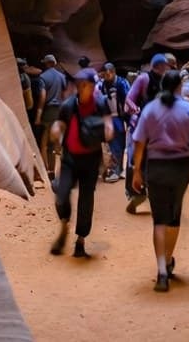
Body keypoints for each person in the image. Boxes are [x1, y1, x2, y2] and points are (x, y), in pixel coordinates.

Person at [131, 71, 189, 292]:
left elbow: (139, 143)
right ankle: (170, 258)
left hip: (156, 167)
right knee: (174, 216)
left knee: (159, 220)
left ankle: (162, 271)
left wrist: (136, 171)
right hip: (180, 166)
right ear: (179, 86)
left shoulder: (150, 109)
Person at [50, 67, 114, 259]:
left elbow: (108, 124)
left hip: (91, 159)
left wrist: (107, 136)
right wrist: (56, 130)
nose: (81, 87)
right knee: (61, 194)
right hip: (70, 158)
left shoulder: (101, 103)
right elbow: (59, 124)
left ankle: (80, 240)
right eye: (80, 84)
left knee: (86, 198)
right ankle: (64, 225)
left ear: (92, 85)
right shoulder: (68, 105)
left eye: (85, 84)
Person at [124, 53, 169, 213]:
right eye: (163, 65)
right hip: (141, 126)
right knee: (136, 158)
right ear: (156, 65)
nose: (165, 67)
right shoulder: (144, 79)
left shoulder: (166, 81)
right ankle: (136, 193)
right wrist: (135, 109)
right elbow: (129, 98)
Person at [98, 62, 129, 182]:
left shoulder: (121, 83)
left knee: (120, 145)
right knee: (113, 145)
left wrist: (127, 117)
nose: (106, 77)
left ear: (112, 72)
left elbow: (127, 100)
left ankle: (119, 169)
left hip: (121, 118)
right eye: (104, 75)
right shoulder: (104, 85)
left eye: (107, 74)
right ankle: (117, 169)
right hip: (109, 117)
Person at [39, 54, 67, 178]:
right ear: (54, 63)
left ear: (46, 63)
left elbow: (43, 97)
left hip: (49, 112)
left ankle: (48, 171)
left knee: (45, 144)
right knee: (58, 144)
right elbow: (65, 95)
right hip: (60, 111)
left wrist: (38, 115)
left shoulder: (43, 77)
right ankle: (60, 171)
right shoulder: (62, 77)